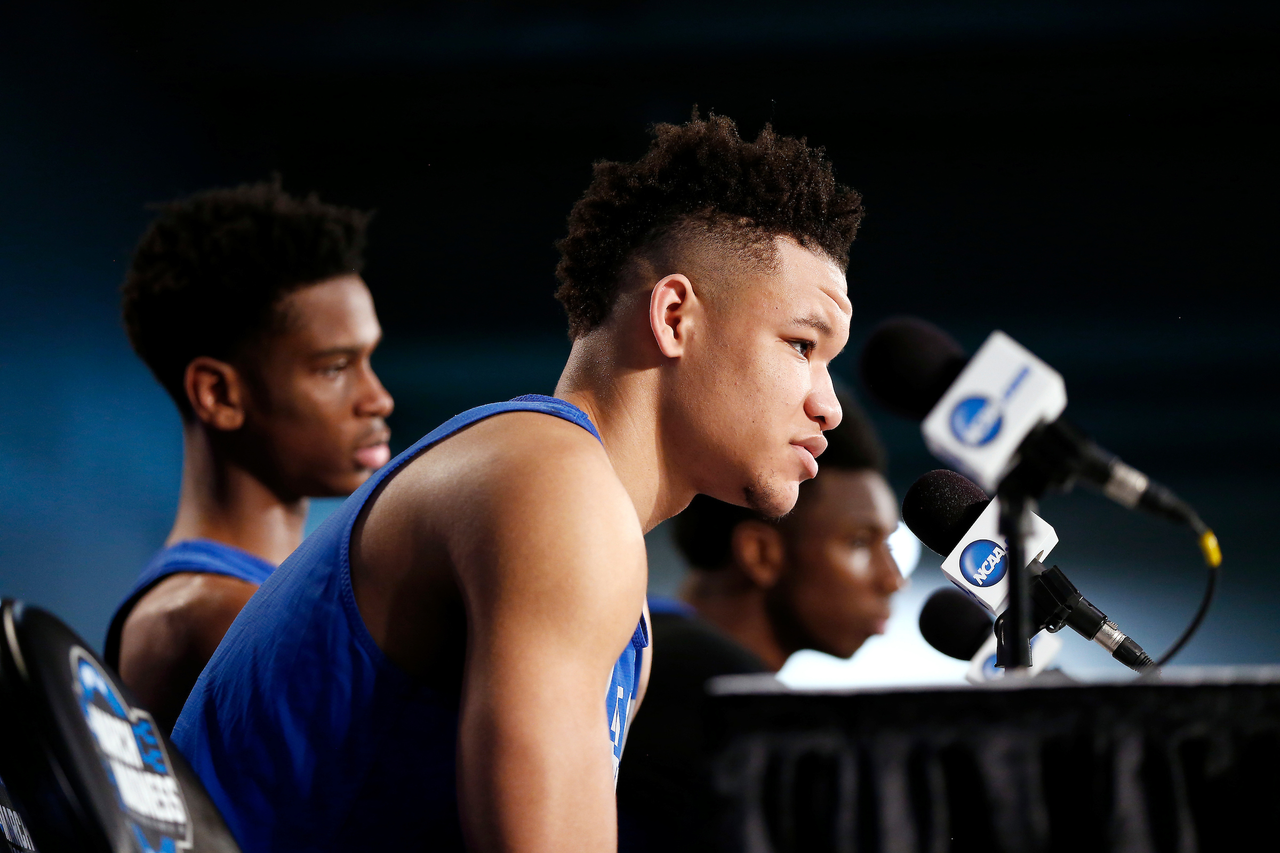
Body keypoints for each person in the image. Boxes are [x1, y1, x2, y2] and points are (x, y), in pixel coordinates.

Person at [171, 112, 864, 853]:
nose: (828, 403)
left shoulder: (577, 522)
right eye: (801, 344)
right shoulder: (556, 487)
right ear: (673, 317)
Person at [103, 181, 395, 734]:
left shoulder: (261, 599)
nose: (378, 398)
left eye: (369, 359)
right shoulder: (200, 617)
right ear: (219, 395)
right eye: (334, 368)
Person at [616, 390, 904, 852]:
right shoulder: (721, 690)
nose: (892, 580)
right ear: (761, 554)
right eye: (859, 542)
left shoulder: (647, 646)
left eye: (890, 545)